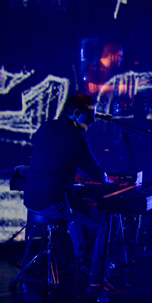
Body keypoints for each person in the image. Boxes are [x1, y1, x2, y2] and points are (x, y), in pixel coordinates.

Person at [23, 93, 116, 292]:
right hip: (51, 203)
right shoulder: (76, 138)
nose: (93, 120)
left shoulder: (46, 127)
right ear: (76, 113)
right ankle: (96, 279)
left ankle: (83, 264)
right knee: (108, 221)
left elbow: (52, 157)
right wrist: (109, 180)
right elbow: (96, 172)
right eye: (91, 114)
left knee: (75, 206)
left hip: (31, 199)